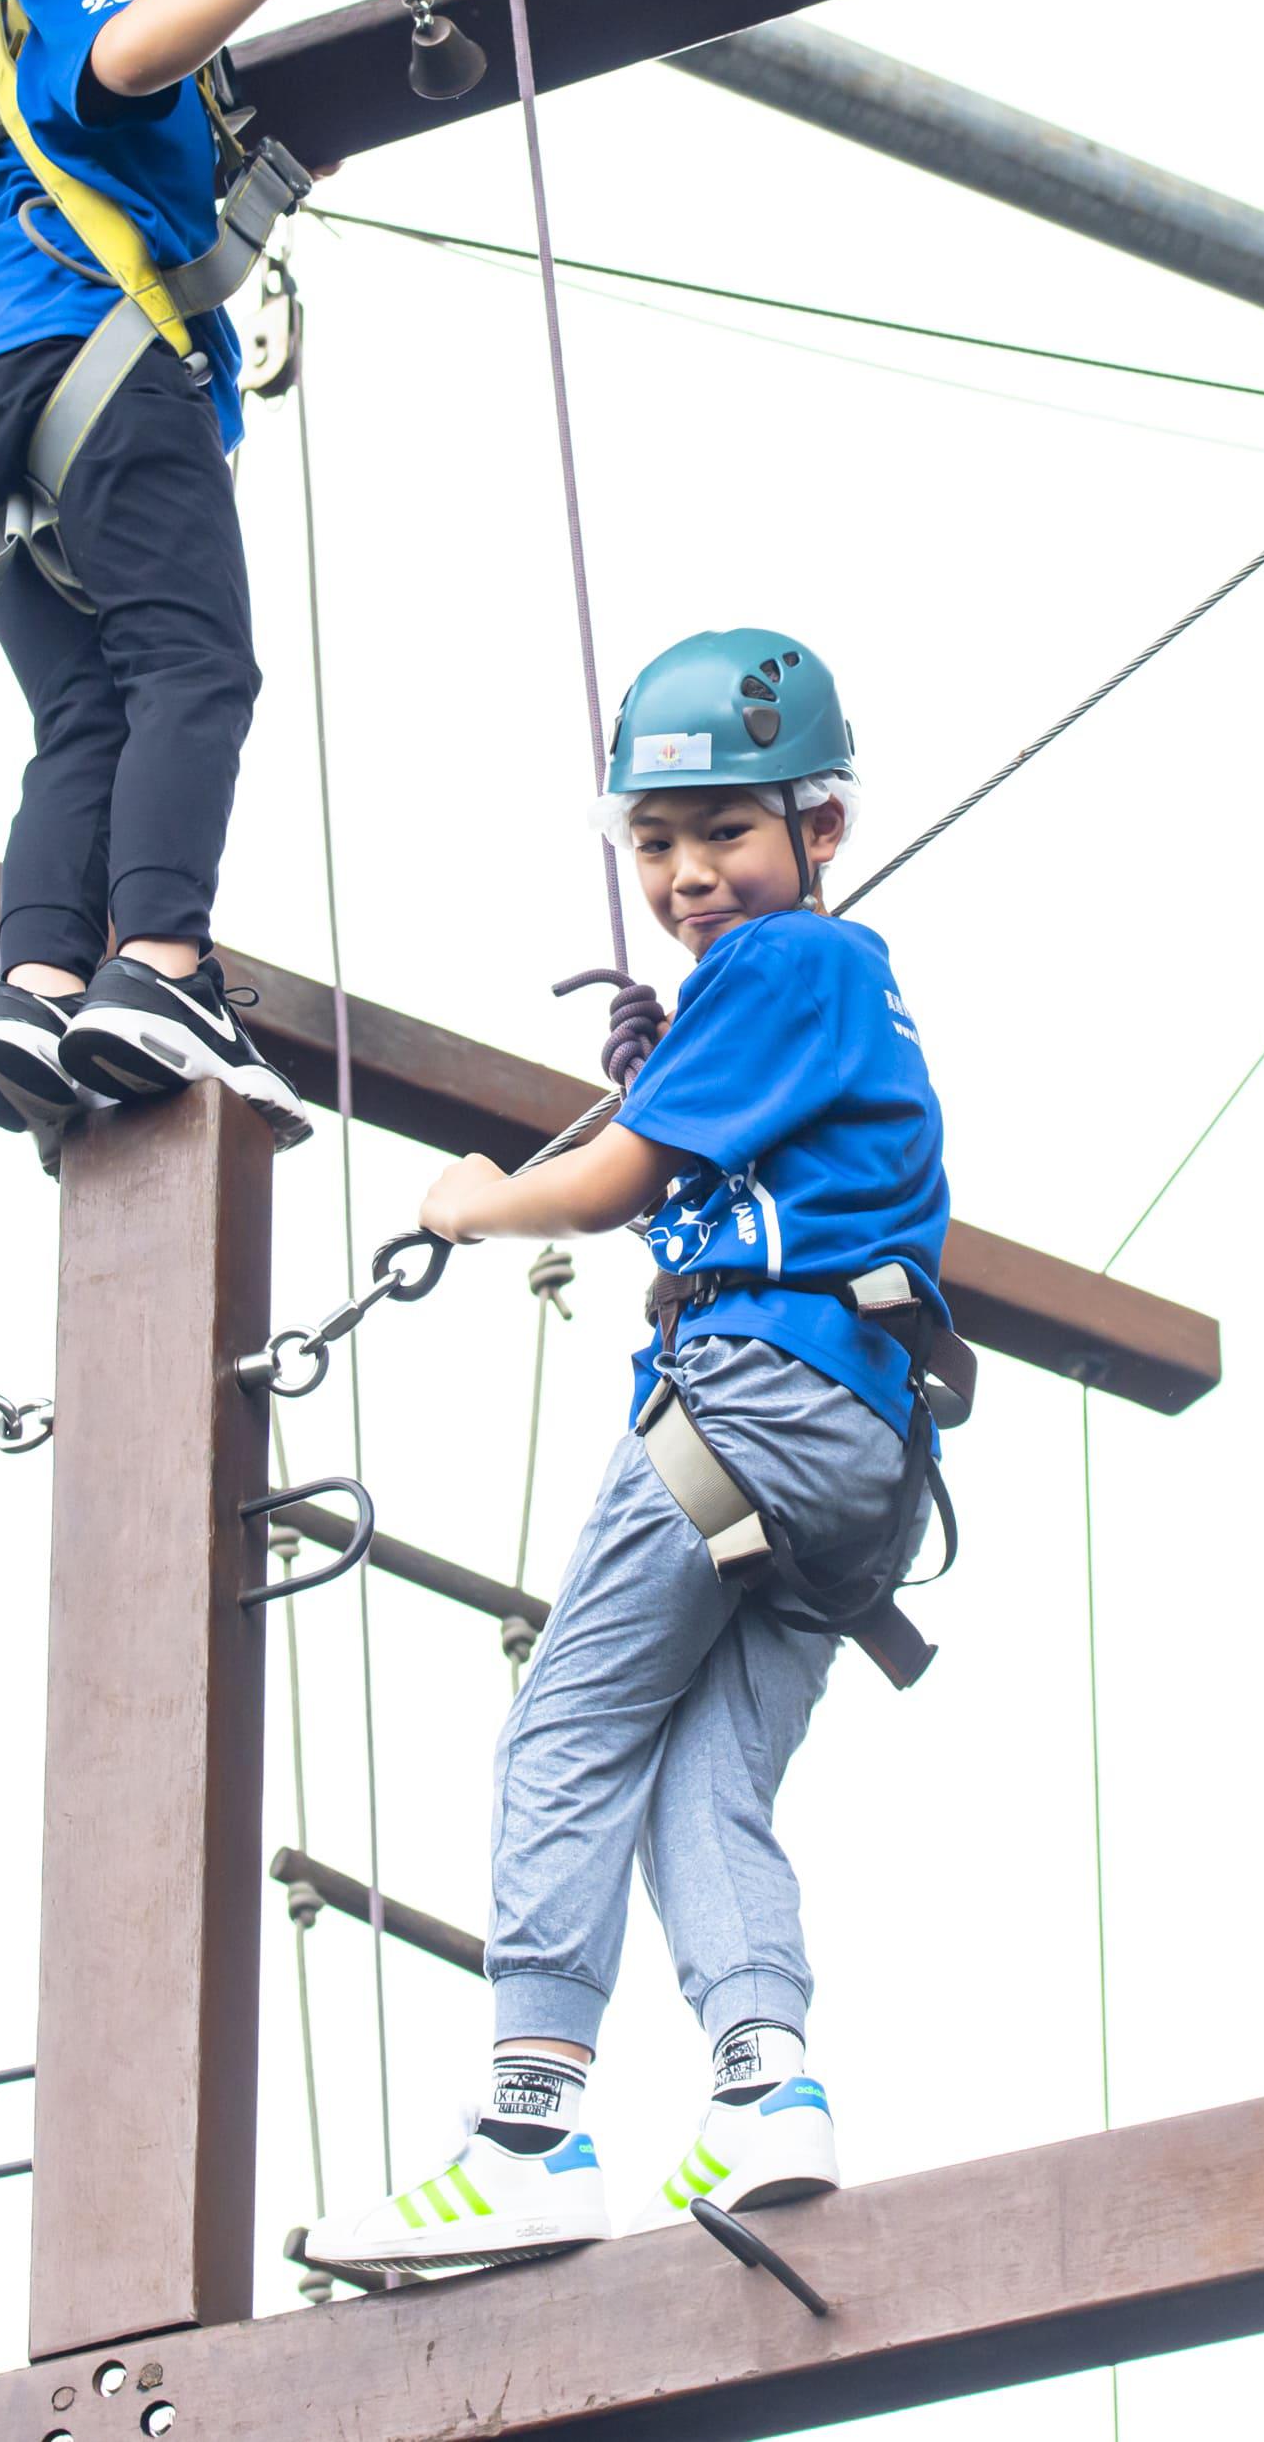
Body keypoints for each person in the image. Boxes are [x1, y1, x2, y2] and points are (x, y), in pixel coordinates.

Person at [293, 630, 958, 2280]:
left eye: (724, 831)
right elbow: (694, 1138)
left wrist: (473, 1196)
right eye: (654, 843)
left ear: (822, 823)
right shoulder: (806, 995)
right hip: (861, 1456)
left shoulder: (795, 963)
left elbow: (608, 1182)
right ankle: (764, 2087)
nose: (687, 875)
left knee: (566, 1728)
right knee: (703, 1780)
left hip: (755, 1395)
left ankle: (529, 2126)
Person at [0, 0, 402, 1155]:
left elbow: (150, 140)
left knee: (90, 715)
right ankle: (163, 969)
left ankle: (39, 979)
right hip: (102, 375)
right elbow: (133, 55)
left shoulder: (100, 16)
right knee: (197, 667)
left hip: (7, 403)